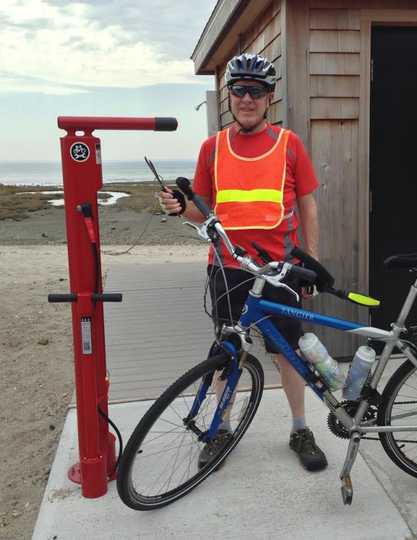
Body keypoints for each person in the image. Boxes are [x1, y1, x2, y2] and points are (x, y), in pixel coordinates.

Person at [157, 53, 327, 472]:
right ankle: (222, 428)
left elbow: (308, 207)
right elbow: (203, 209)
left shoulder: (290, 145)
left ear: (270, 97)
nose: (246, 98)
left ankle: (300, 429)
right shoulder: (212, 148)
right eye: (239, 90)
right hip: (228, 268)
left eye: (256, 91)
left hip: (281, 269)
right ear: (228, 96)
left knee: (289, 353)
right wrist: (180, 209)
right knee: (226, 350)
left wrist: (314, 265)